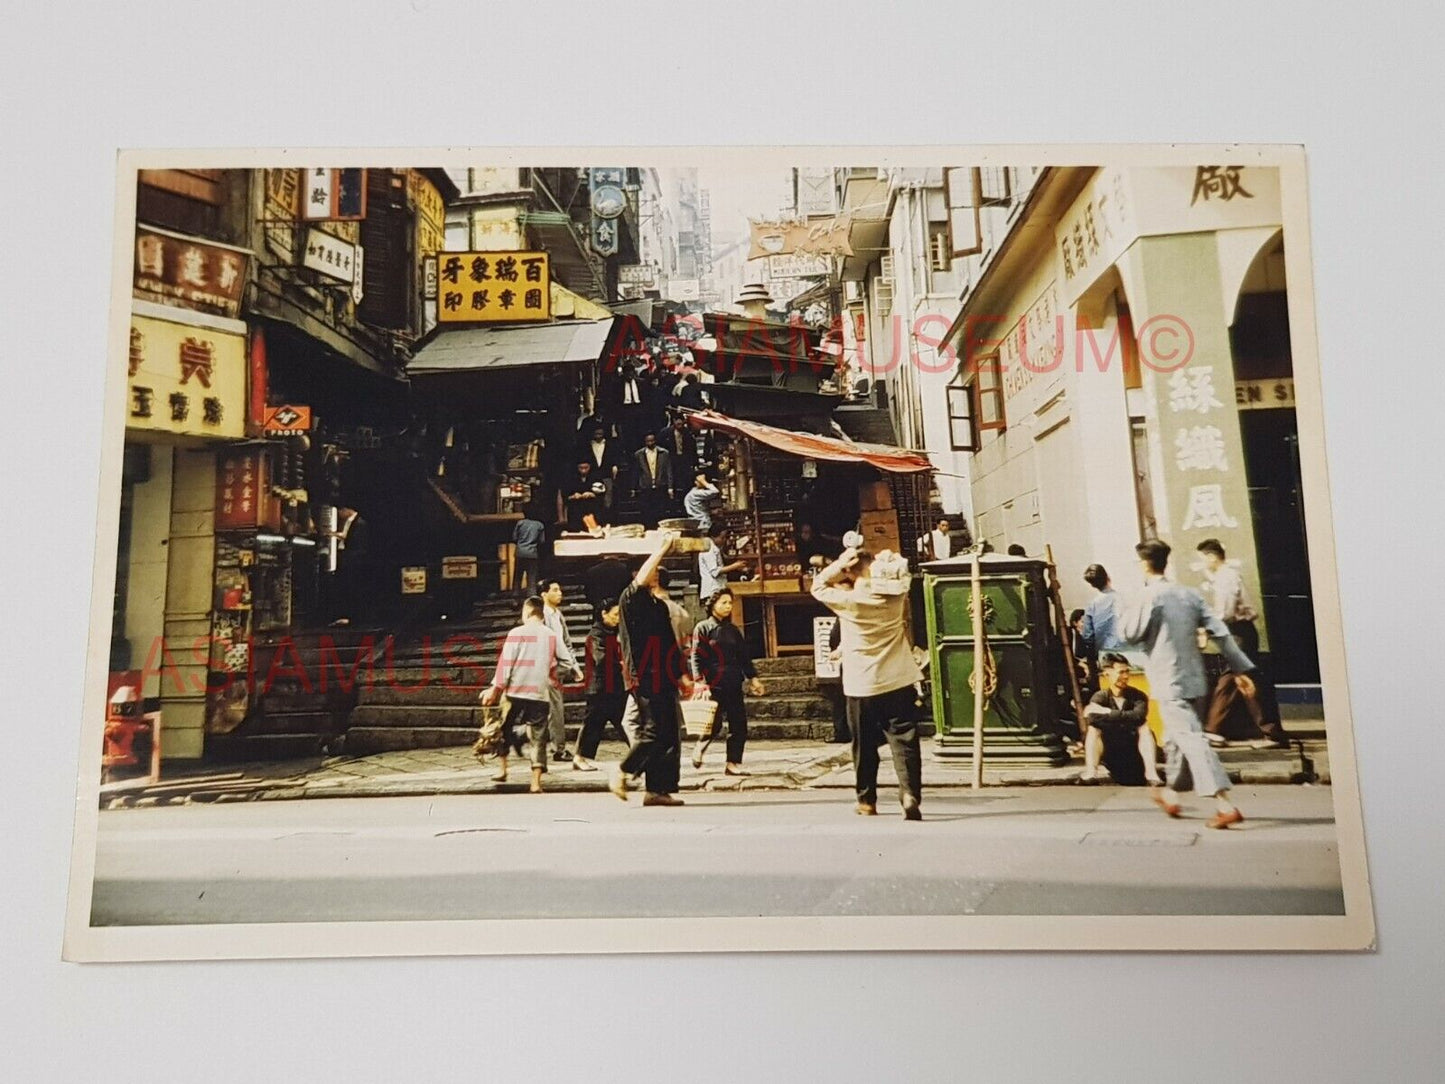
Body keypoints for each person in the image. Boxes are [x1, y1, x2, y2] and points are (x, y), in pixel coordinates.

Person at [1116, 539, 1256, 829]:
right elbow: (1221, 632)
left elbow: (1129, 633)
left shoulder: (1148, 596)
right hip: (1195, 677)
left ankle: (1223, 802)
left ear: (1144, 564)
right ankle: (1171, 794)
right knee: (1177, 736)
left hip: (1167, 679)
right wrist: (1241, 668)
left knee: (1190, 737)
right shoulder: (1189, 595)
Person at [811, 541, 925, 820]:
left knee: (863, 744)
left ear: (852, 572)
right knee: (905, 739)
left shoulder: (851, 602)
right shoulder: (896, 597)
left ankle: (867, 801)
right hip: (898, 679)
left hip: (861, 683)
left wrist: (840, 563)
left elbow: (818, 586)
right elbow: (901, 572)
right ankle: (909, 793)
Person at [611, 531, 689, 806]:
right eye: (653, 568)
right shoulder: (630, 599)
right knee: (653, 729)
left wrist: (682, 675)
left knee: (669, 733)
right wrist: (663, 546)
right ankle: (623, 770)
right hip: (644, 674)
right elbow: (643, 576)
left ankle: (656, 789)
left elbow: (669, 643)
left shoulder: (659, 606)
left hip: (664, 675)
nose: (656, 572)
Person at [1196, 538, 1289, 749]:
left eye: (1203, 559)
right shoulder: (1226, 576)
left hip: (1238, 632)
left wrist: (1206, 628)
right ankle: (1215, 730)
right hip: (1238, 633)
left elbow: (1225, 612)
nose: (1203, 564)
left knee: (1243, 681)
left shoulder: (1225, 577)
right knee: (1231, 681)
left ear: (1212, 556)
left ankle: (1270, 733)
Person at [480, 596, 570, 793]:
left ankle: (502, 770)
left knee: (502, 729)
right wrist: (550, 677)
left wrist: (495, 689)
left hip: (514, 691)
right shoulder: (551, 635)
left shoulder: (516, 633)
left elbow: (505, 665)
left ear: (527, 612)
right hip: (539, 693)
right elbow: (567, 662)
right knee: (539, 736)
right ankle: (535, 783)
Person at [689, 588, 765, 774]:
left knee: (738, 723)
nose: (727, 606)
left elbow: (743, 657)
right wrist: (699, 681)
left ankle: (732, 763)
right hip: (713, 682)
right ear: (713, 605)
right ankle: (700, 746)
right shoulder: (703, 628)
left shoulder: (733, 631)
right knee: (713, 724)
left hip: (733, 680)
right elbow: (696, 657)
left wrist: (753, 678)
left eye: (730, 603)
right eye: (723, 602)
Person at [1079, 653, 1162, 785]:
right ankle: (1090, 773)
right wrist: (1124, 716)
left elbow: (1138, 717)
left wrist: (1107, 712)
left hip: (1133, 751)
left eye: (1127, 671)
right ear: (1107, 674)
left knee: (1144, 727)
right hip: (1111, 751)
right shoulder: (1100, 696)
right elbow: (1093, 718)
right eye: (1121, 672)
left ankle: (1151, 774)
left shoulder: (1138, 696)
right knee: (1093, 729)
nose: (1125, 676)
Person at [573, 598, 628, 771]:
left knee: (626, 721)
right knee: (593, 723)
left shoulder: (615, 632)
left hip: (615, 685)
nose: (618, 618)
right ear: (603, 613)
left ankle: (640, 753)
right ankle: (579, 757)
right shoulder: (595, 634)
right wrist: (620, 661)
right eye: (615, 614)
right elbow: (601, 659)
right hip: (599, 686)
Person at [541, 579, 585, 764]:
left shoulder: (558, 614)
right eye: (555, 590)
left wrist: (574, 666)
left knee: (551, 708)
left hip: (560, 665)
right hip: (548, 667)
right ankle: (558, 748)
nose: (560, 593)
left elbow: (566, 642)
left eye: (560, 589)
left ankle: (521, 736)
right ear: (544, 594)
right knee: (555, 708)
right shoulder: (541, 615)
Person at [1080, 563, 1125, 678]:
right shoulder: (1124, 599)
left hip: (1105, 656)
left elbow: (1088, 637)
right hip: (1129, 653)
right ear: (1108, 577)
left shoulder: (1092, 605)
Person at [632, 432, 673, 529]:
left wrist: (670, 487)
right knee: (646, 510)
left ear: (655, 441)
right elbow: (636, 472)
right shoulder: (639, 454)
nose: (650, 443)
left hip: (660, 484)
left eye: (652, 441)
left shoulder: (664, 453)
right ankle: (649, 528)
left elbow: (669, 470)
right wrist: (633, 488)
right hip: (645, 485)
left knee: (660, 510)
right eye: (648, 441)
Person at [578, 425, 621, 512]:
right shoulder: (587, 446)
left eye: (600, 433)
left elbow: (614, 457)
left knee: (608, 498)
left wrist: (614, 467)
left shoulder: (610, 445)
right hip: (592, 474)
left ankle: (607, 516)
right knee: (593, 498)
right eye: (596, 433)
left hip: (606, 473)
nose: (598, 435)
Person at [511, 507, 545, 598]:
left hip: (520, 552)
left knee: (517, 576)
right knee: (531, 577)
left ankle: (515, 596)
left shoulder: (520, 523)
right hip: (532, 553)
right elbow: (541, 541)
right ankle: (531, 596)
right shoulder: (539, 525)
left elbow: (514, 538)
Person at [563, 460, 604, 532]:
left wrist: (592, 494)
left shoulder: (596, 477)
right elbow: (565, 495)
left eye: (586, 468)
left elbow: (602, 494)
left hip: (591, 509)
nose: (583, 470)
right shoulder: (571, 478)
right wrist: (573, 496)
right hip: (576, 511)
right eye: (581, 468)